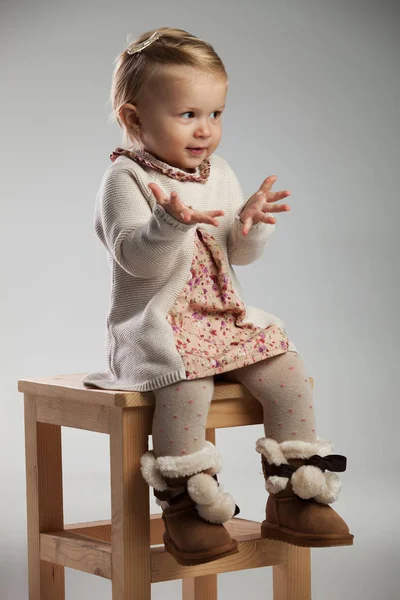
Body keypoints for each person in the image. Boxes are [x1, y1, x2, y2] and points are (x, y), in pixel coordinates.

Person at [83, 27, 353, 566]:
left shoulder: (219, 174)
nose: (205, 130)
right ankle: (187, 505)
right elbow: (133, 257)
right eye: (187, 115)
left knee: (288, 370)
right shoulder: (126, 179)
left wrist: (249, 226)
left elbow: (239, 256)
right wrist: (166, 222)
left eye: (216, 114)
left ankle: (294, 494)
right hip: (156, 326)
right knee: (187, 385)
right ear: (135, 119)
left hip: (221, 318)